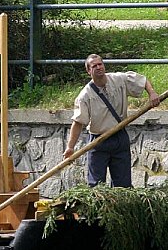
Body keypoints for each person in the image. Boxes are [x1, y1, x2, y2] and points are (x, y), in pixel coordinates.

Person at [63, 54, 160, 187]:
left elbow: (142, 81)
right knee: (96, 187)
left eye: (100, 64)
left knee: (123, 186)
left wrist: (152, 93)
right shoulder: (85, 96)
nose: (98, 67)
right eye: (94, 66)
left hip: (119, 138)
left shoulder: (119, 79)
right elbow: (78, 122)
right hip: (98, 141)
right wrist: (70, 147)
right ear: (88, 71)